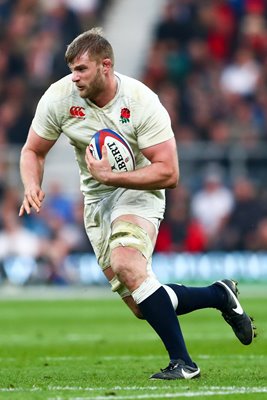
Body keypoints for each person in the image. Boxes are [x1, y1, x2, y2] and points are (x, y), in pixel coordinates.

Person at [19, 27, 256, 380]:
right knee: (143, 305)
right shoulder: (59, 97)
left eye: (81, 69)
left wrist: (113, 178)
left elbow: (169, 173)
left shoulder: (141, 102)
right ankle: (218, 295)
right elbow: (32, 150)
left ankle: (184, 363)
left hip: (140, 189)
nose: (74, 77)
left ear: (106, 66)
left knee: (126, 261)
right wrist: (31, 184)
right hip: (97, 199)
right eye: (72, 69)